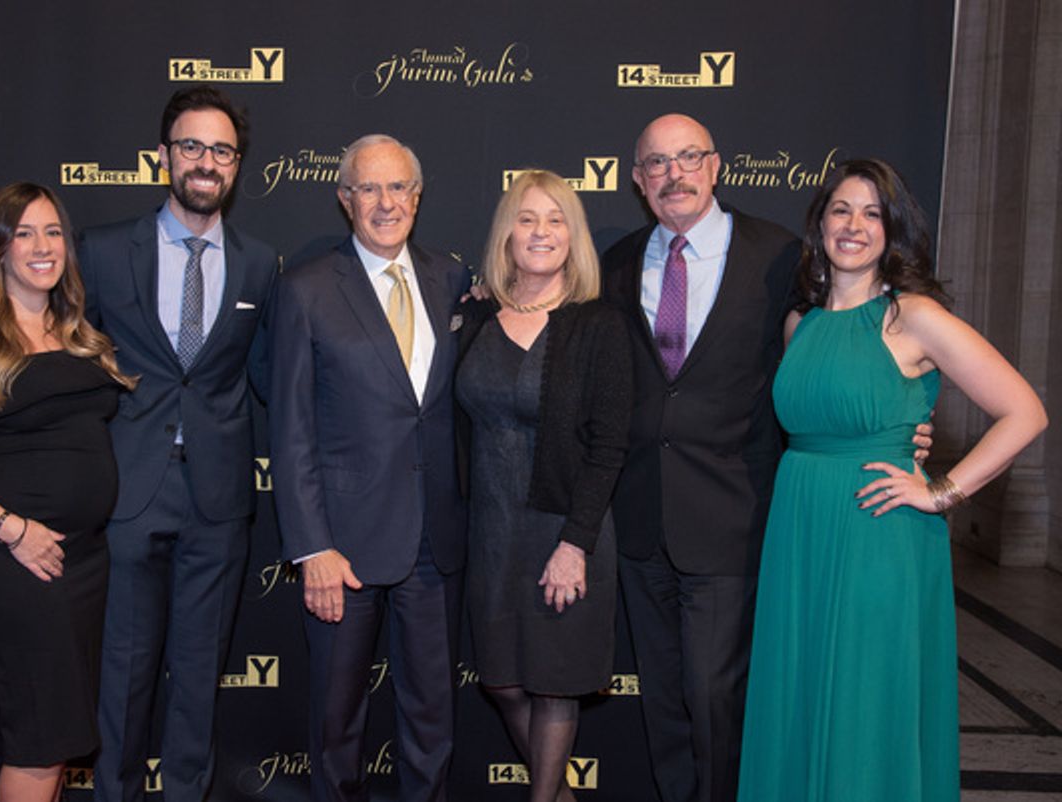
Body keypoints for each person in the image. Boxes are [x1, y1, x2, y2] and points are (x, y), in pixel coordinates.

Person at [737, 159, 1047, 800]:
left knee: (864, 700)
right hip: (801, 530)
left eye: (872, 213)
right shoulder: (802, 324)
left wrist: (941, 492)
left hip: (878, 533)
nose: (854, 226)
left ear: (892, 230)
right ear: (820, 225)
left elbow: (1025, 412)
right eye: (841, 210)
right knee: (799, 691)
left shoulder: (913, 317)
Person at [77, 85, 277, 802]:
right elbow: (63, 364)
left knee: (198, 679)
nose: (205, 161)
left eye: (221, 150)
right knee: (122, 678)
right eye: (191, 146)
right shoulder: (101, 252)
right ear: (163, 156)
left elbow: (269, 375)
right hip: (129, 495)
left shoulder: (259, 263)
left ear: (236, 165)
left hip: (220, 505)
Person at [599, 114, 801, 802]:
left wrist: (898, 422)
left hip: (730, 518)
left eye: (688, 158)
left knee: (715, 700)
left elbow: (826, 357)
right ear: (637, 180)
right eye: (656, 163)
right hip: (639, 520)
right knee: (662, 704)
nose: (673, 174)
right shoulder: (618, 262)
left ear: (716, 167)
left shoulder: (780, 257)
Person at [0, 182, 135, 802]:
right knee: (39, 741)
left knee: (57, 736)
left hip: (81, 559)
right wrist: (14, 529)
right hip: (13, 557)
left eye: (53, 232)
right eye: (25, 233)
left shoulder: (79, 334)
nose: (43, 246)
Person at [269, 133, 471, 802]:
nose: (385, 203)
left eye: (398, 188)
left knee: (432, 717)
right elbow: (290, 429)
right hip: (344, 547)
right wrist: (312, 548)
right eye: (368, 188)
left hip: (434, 541)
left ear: (417, 196)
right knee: (336, 721)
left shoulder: (452, 278)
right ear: (344, 198)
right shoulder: (305, 289)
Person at [454, 170, 631, 802]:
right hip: (492, 534)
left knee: (555, 684)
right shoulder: (474, 316)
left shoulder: (598, 325)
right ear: (507, 233)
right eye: (527, 218)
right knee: (502, 682)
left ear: (573, 236)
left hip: (564, 529)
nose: (541, 232)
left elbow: (610, 446)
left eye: (556, 220)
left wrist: (573, 544)